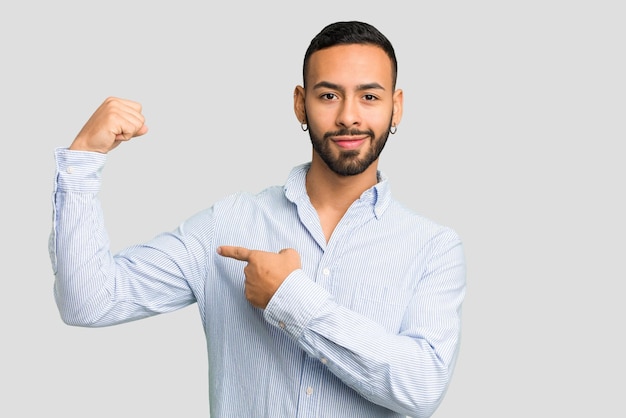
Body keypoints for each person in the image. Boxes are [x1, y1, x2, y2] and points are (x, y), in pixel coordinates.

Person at [49, 21, 466, 418]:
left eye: (369, 97)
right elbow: (89, 300)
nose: (349, 117)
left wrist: (290, 297)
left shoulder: (433, 247)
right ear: (300, 104)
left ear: (396, 108)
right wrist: (84, 159)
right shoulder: (229, 223)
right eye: (328, 96)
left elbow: (422, 388)